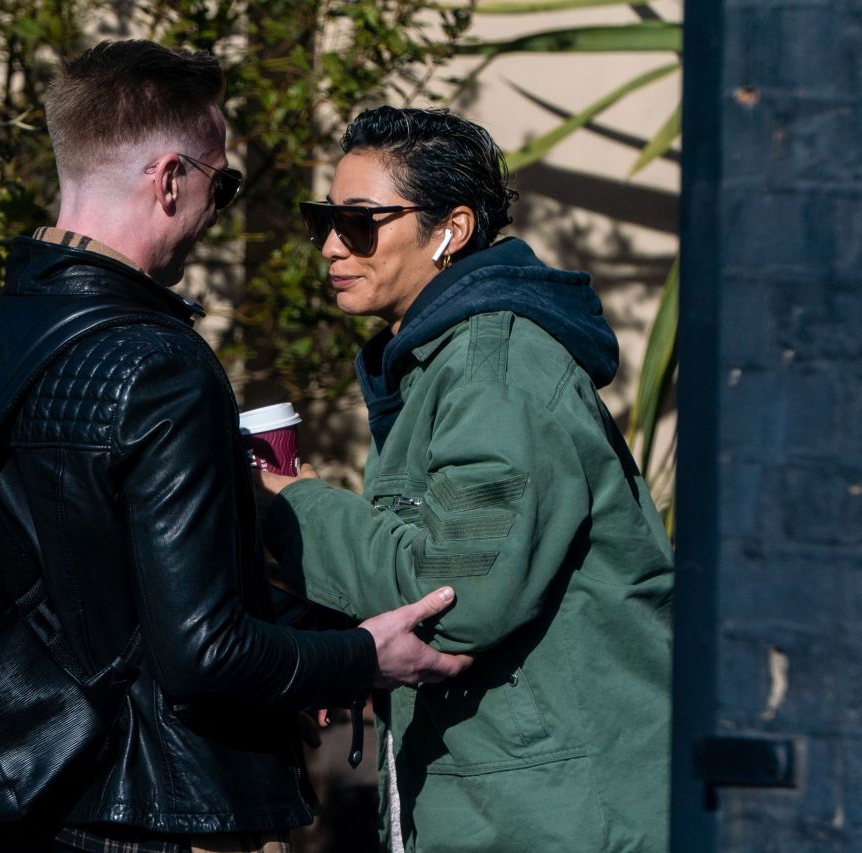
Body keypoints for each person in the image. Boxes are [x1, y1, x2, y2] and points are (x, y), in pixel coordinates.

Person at [0, 43, 471, 853]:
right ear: (171, 178)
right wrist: (359, 654)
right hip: (165, 814)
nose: (218, 208)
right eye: (223, 183)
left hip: (3, 803)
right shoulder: (160, 365)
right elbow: (204, 653)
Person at [258, 107, 674, 852]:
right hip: (514, 794)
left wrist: (292, 510)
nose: (328, 245)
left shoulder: (497, 370)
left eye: (360, 223)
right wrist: (355, 643)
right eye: (323, 219)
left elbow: (455, 594)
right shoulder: (440, 363)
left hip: (558, 811)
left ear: (449, 228)